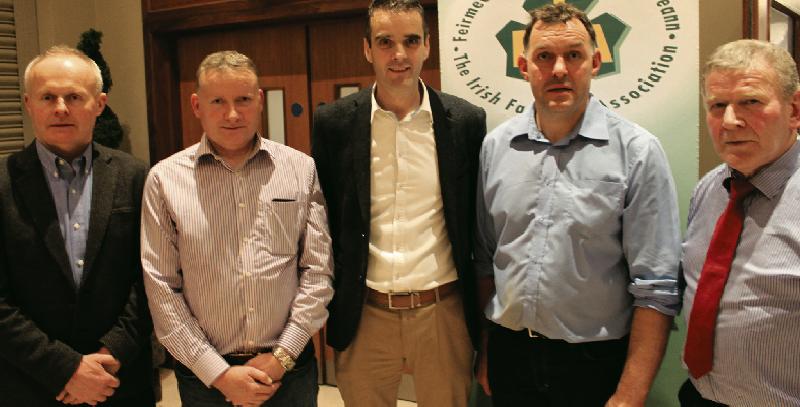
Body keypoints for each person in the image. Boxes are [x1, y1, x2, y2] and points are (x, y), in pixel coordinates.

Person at [474, 3, 682, 406]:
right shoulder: (495, 147)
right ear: (523, 66)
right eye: (544, 56)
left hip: (593, 364)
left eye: (573, 55)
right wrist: (486, 351)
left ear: (595, 62)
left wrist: (630, 393)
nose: (558, 69)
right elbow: (485, 259)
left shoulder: (637, 152)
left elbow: (656, 288)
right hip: (509, 355)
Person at [310, 0, 486, 405]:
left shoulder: (466, 122)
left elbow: (473, 222)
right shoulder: (334, 124)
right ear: (368, 49)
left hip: (442, 311)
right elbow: (324, 218)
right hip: (364, 311)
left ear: (427, 45)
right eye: (385, 42)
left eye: (410, 41)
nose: (399, 55)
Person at [141, 50, 333, 407]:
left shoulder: (300, 169)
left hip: (288, 373)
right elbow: (161, 286)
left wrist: (282, 357)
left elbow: (318, 272)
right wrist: (219, 374)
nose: (232, 114)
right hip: (205, 379)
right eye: (218, 101)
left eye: (243, 99)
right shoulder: (164, 180)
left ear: (258, 101)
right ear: (197, 105)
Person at [0, 45, 154, 406]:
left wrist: (111, 353)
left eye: (73, 96)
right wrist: (65, 368)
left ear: (99, 104)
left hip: (120, 382)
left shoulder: (137, 175)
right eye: (47, 96)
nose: (60, 108)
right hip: (30, 385)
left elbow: (153, 278)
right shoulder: (2, 182)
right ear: (28, 103)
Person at [679, 39, 800, 406]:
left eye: (750, 102)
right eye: (717, 106)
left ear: (795, 109)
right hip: (700, 397)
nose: (730, 120)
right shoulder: (710, 187)